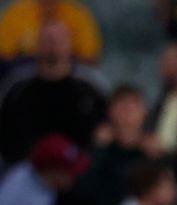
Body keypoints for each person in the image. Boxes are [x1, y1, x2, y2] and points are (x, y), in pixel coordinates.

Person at [0, 20, 105, 164]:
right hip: (25, 171)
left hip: (78, 172)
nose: (53, 45)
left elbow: (111, 122)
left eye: (59, 40)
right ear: (37, 44)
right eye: (47, 40)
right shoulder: (16, 86)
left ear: (70, 45)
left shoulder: (89, 85)